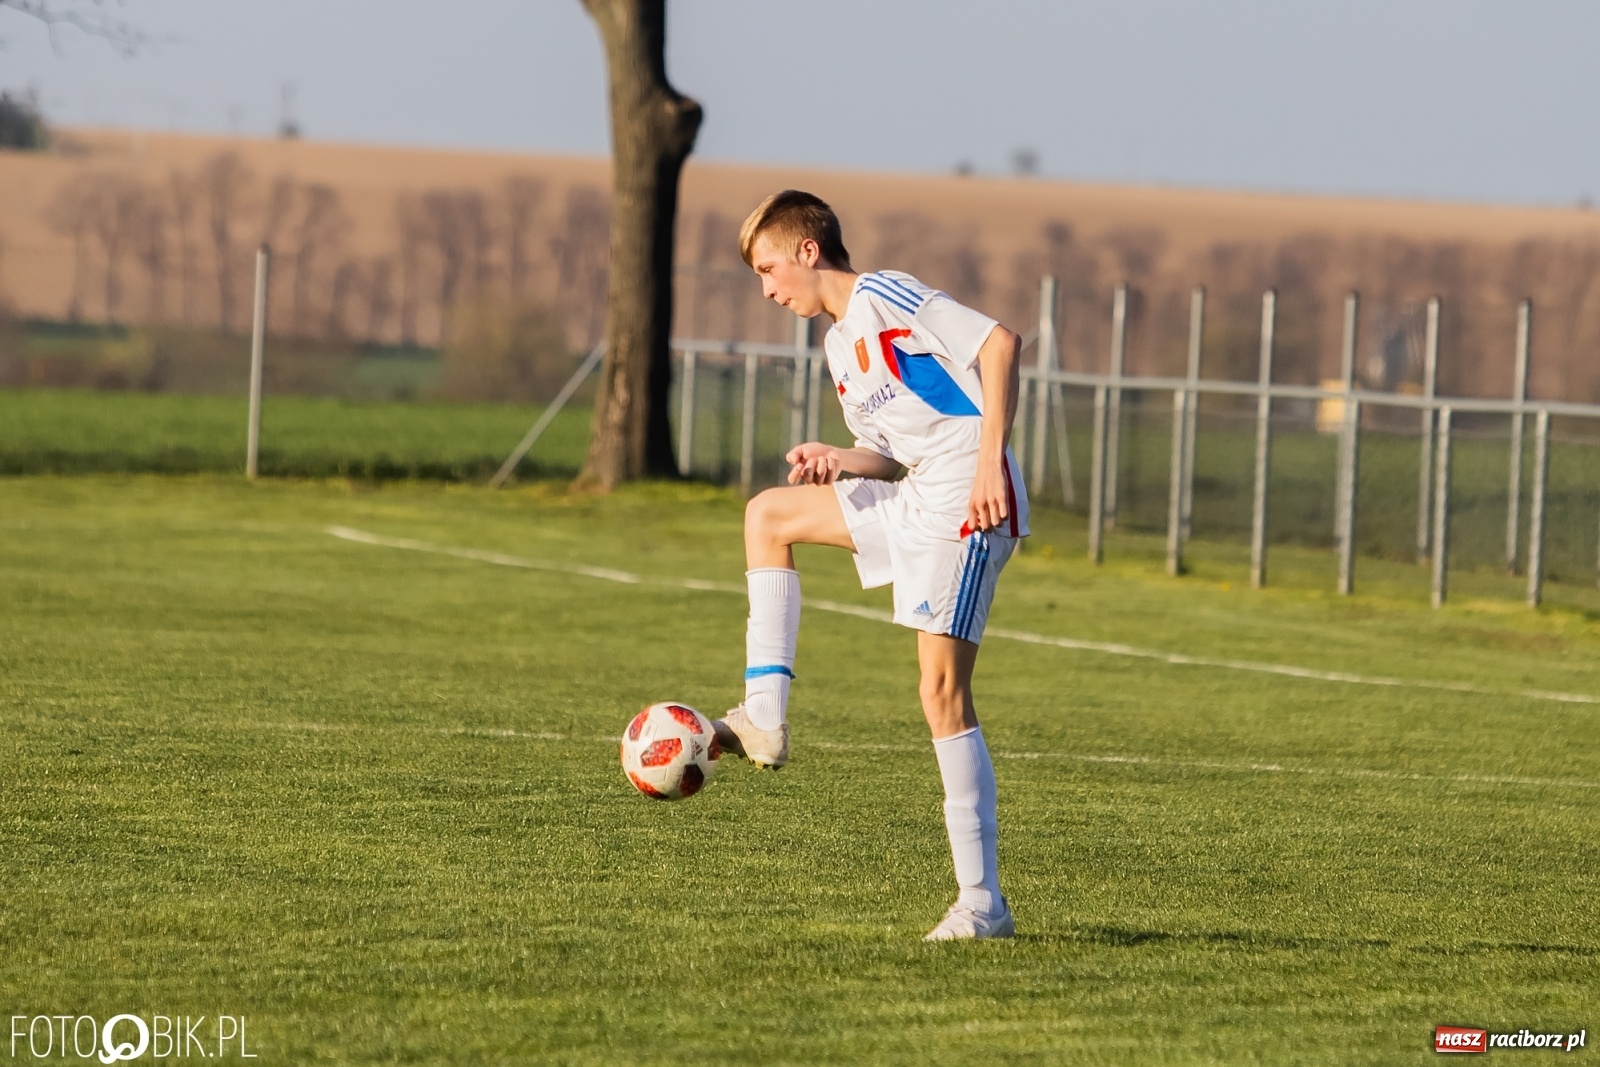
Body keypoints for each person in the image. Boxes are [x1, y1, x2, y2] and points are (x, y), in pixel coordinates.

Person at [713, 189, 1028, 941]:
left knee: (940, 693)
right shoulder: (834, 346)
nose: (767, 288)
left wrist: (991, 466)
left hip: (967, 499)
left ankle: (981, 902)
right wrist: (837, 456)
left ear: (807, 251)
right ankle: (765, 714)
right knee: (768, 515)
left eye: (767, 269)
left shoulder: (883, 292)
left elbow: (1001, 343)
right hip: (918, 491)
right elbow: (888, 458)